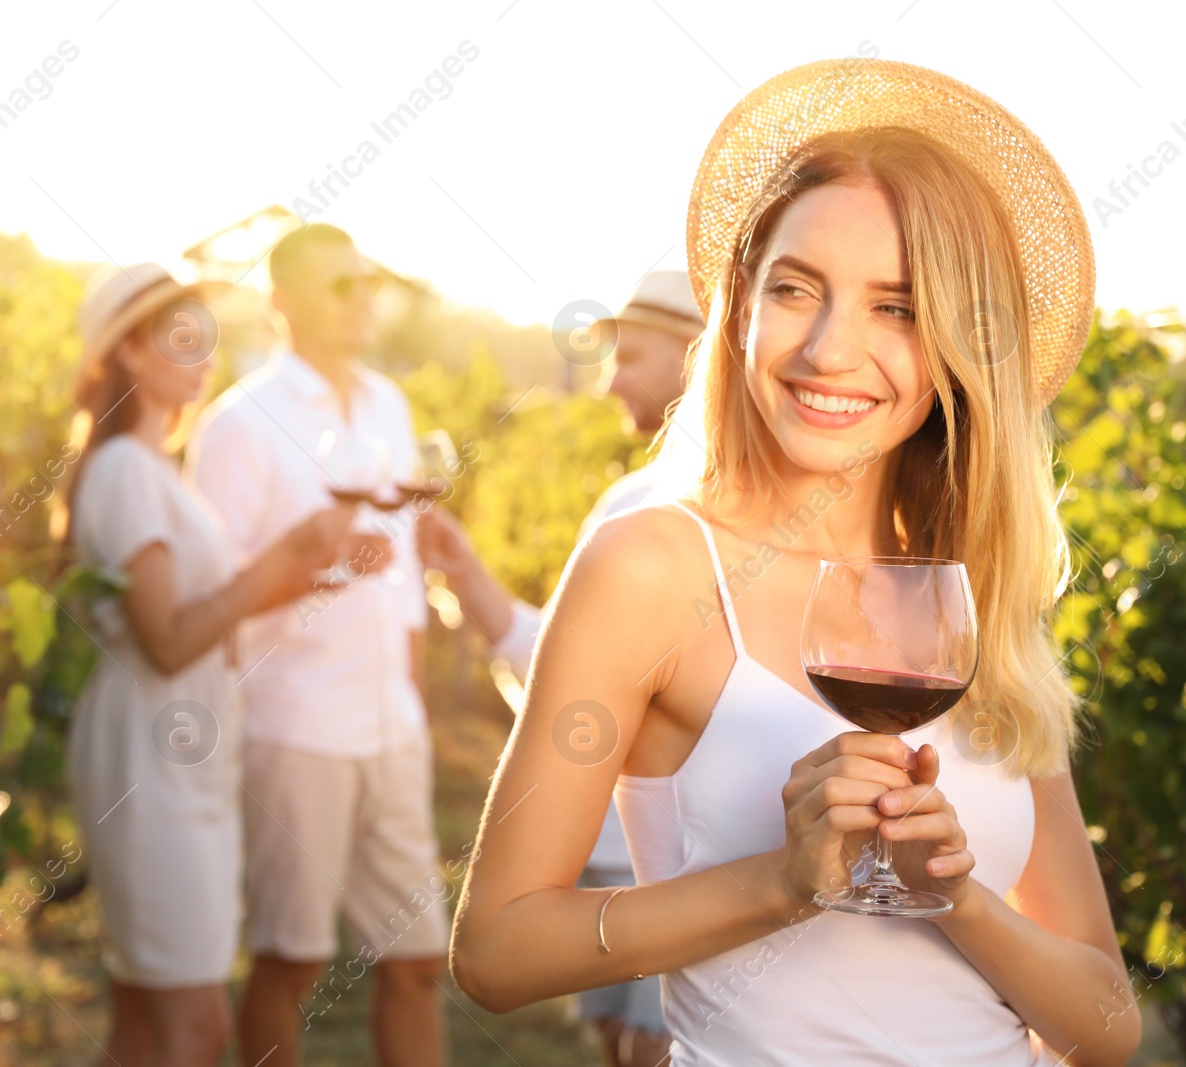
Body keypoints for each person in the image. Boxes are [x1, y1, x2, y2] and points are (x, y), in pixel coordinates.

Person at [449, 58, 1141, 1067]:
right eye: (794, 288)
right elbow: (495, 948)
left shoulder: (971, 593)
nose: (827, 347)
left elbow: (1107, 1026)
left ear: (955, 346)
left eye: (895, 307)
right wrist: (780, 883)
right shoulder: (653, 567)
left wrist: (955, 897)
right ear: (738, 304)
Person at [57, 263, 369, 1067]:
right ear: (128, 350)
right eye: (182, 335)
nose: (204, 353)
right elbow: (166, 637)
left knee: (142, 1014)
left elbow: (209, 609)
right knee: (192, 1027)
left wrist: (310, 571)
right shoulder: (128, 470)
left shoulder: (157, 468)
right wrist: (285, 556)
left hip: (175, 745)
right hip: (150, 755)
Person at [417, 270, 703, 1067]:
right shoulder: (632, 499)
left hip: (668, 862)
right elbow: (574, 678)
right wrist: (467, 573)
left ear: (696, 359)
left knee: (654, 1047)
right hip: (612, 849)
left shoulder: (680, 512)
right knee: (623, 1043)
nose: (609, 380)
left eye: (632, 356)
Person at [186, 224, 449, 1067]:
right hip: (295, 728)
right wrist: (311, 569)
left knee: (417, 962)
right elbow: (207, 602)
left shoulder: (389, 406)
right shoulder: (241, 425)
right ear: (281, 300)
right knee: (291, 958)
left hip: (392, 729)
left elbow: (401, 575)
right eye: (338, 285)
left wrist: (414, 704)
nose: (361, 298)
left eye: (364, 281)